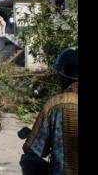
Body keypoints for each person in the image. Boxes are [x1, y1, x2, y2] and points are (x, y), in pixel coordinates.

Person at [20, 47, 78, 175]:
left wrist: (33, 136)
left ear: (64, 76)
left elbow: (31, 149)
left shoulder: (55, 104)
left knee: (28, 160)